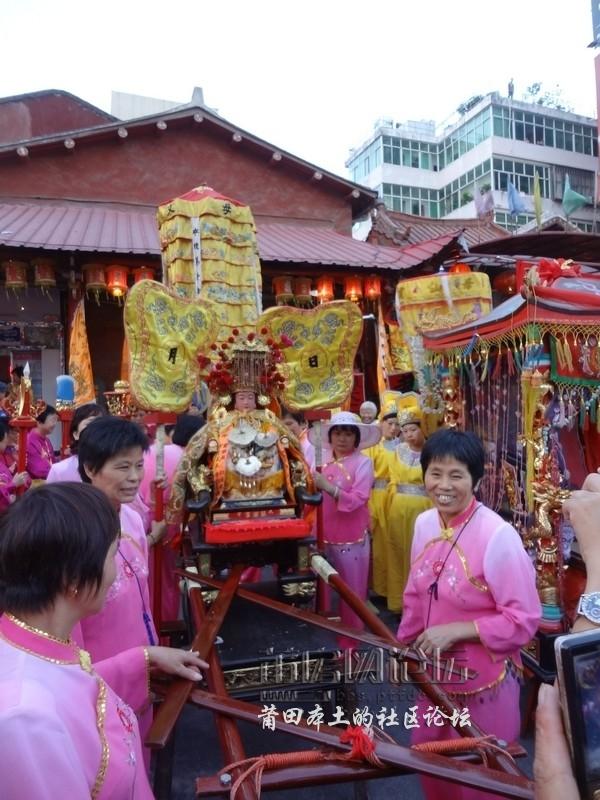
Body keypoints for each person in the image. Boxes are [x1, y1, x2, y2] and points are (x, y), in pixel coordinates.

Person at [0, 482, 207, 799]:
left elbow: (72, 690)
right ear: (73, 579)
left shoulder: (35, 640)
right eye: (112, 557)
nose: (117, 572)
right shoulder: (24, 721)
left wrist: (145, 659)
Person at [398, 428, 541, 800]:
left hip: (485, 684)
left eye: (456, 475)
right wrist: (403, 649)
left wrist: (458, 630)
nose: (444, 485)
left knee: (483, 780)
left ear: (476, 479)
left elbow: (523, 619)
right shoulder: (424, 523)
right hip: (435, 677)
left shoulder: (499, 537)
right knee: (432, 766)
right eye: (435, 473)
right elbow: (415, 592)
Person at [309, 411, 380, 642]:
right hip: (320, 531)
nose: (342, 438)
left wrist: (329, 488)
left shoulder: (363, 462)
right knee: (319, 590)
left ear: (356, 438)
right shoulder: (319, 461)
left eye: (348, 433)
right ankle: (322, 638)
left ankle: (350, 640)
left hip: (350, 535)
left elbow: (359, 497)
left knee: (351, 590)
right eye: (338, 433)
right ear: (330, 436)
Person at [138, 413, 203, 621]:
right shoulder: (188, 458)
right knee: (166, 581)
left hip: (139, 518)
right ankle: (164, 629)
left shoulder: (150, 451)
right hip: (169, 524)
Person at [385, 404, 431, 613]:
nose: (409, 435)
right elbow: (393, 479)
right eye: (405, 431)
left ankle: (422, 606)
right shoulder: (398, 451)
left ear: (423, 427)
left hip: (424, 508)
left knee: (421, 555)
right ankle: (399, 603)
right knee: (398, 552)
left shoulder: (432, 451)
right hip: (398, 508)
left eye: (413, 429)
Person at [364, 402, 399, 600]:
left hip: (395, 498)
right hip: (377, 497)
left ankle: (394, 589)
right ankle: (378, 588)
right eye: (389, 423)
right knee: (378, 546)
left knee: (394, 545)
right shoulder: (372, 446)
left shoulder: (402, 446)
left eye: (396, 424)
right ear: (381, 423)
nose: (393, 428)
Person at [46, 402, 105, 483]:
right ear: (76, 434)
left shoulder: (115, 467)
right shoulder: (59, 471)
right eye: (89, 424)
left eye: (100, 424)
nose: (95, 429)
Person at [0, 418, 29, 510]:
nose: (17, 435)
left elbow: (24, 479)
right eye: (14, 432)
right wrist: (13, 484)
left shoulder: (13, 451)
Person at [26, 404, 58, 481]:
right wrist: (59, 473)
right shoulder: (29, 440)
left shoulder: (46, 439)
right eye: (52, 420)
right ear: (39, 422)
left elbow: (52, 461)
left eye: (56, 420)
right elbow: (38, 470)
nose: (55, 424)